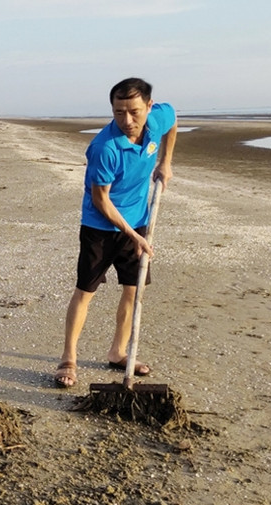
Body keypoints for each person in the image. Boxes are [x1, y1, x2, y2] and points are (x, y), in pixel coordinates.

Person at [54, 78, 177, 388]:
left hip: (138, 220)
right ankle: (68, 358)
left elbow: (173, 120)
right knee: (86, 290)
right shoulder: (104, 148)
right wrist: (133, 236)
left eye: (134, 112)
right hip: (101, 226)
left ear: (149, 106)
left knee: (134, 289)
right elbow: (101, 199)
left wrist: (166, 161)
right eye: (119, 112)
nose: (127, 120)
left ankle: (119, 352)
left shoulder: (157, 120)